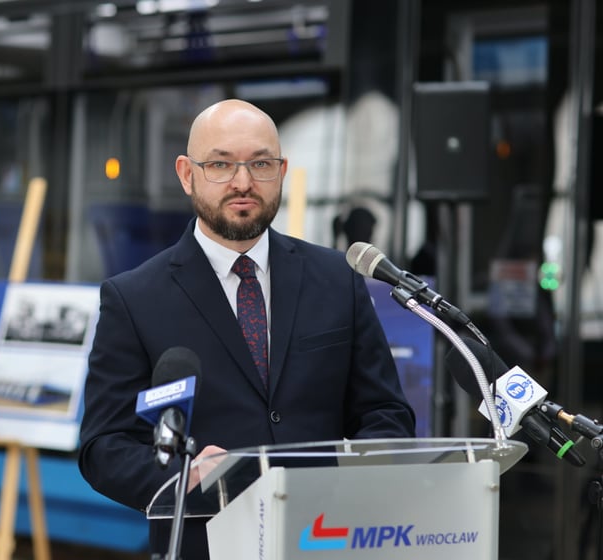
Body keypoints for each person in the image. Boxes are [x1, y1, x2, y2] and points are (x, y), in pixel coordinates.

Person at [78, 99, 415, 558]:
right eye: (220, 163)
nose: (243, 182)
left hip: (329, 539)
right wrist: (183, 476)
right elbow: (104, 446)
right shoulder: (133, 299)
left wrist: (346, 476)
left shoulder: (338, 279)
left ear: (282, 171)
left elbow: (386, 415)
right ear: (186, 173)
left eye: (260, 164)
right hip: (205, 541)